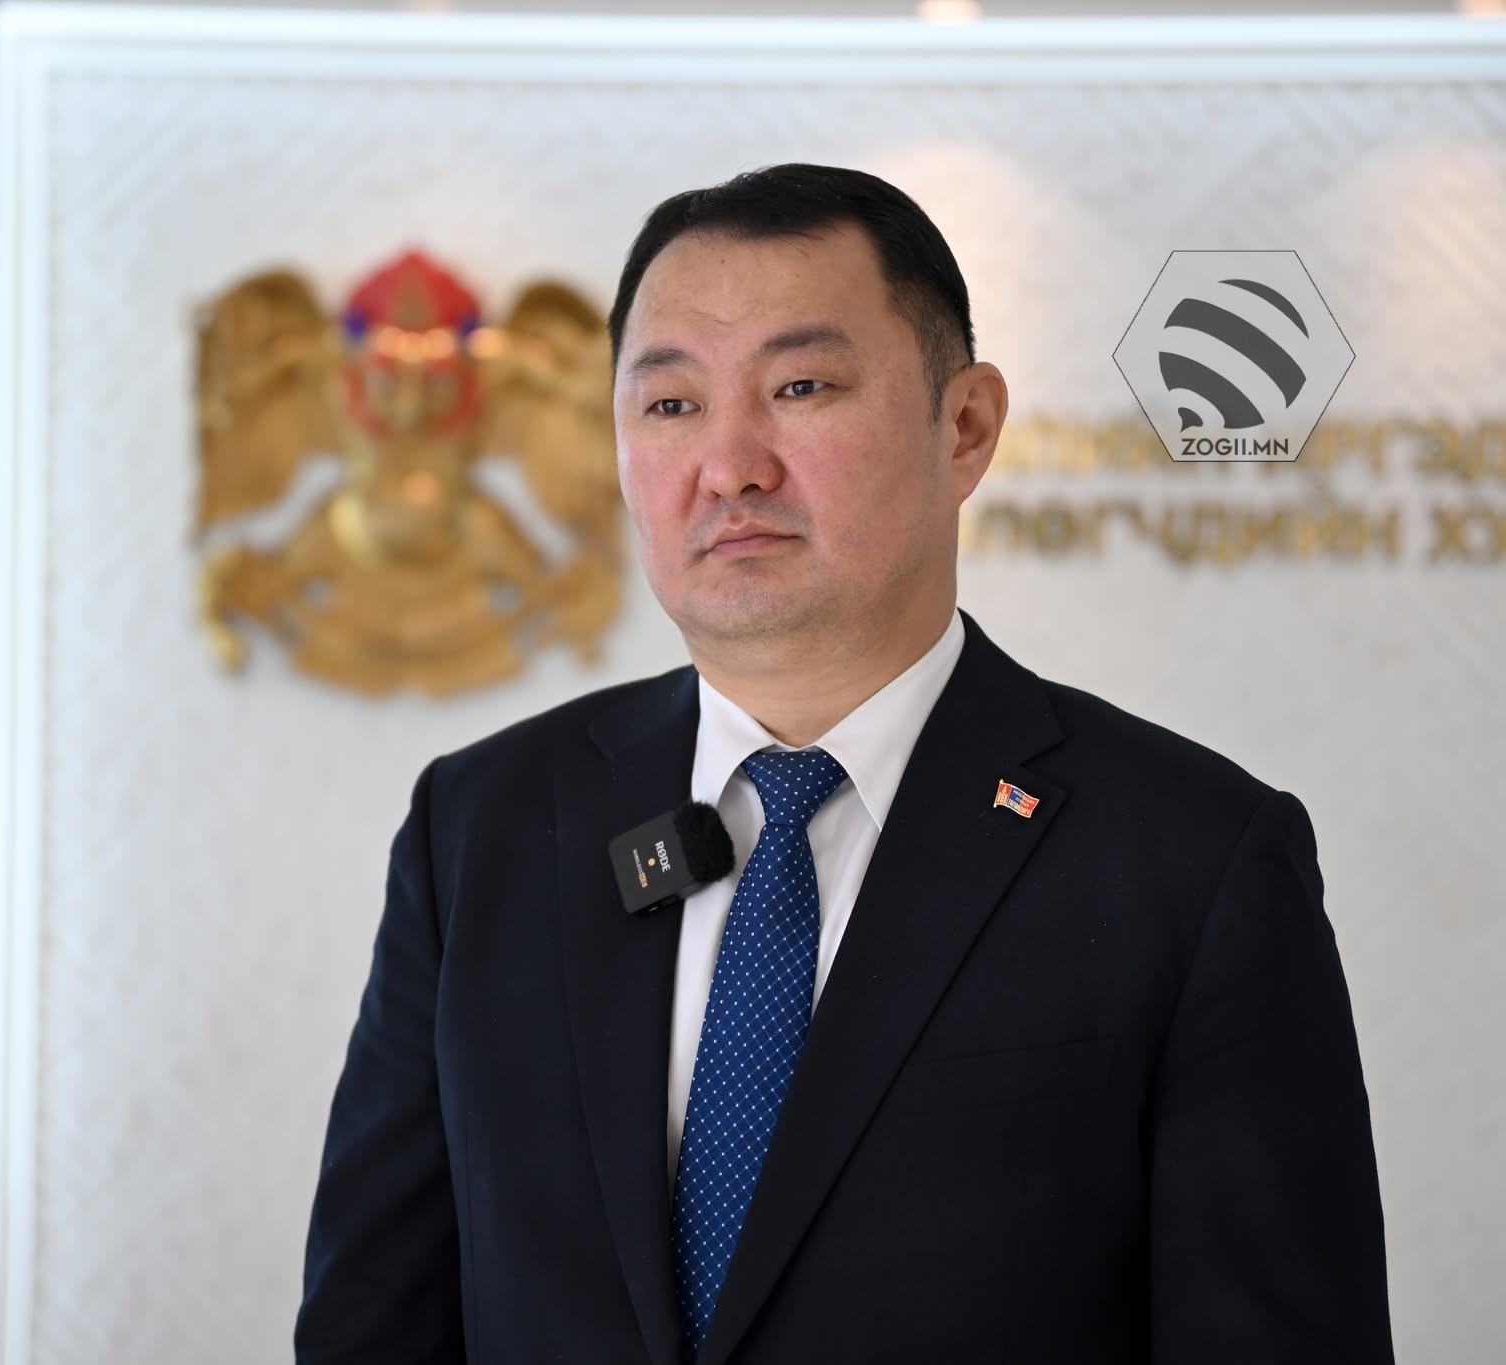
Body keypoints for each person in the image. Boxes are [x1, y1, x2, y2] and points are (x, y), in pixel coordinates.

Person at [294, 164, 1392, 1364]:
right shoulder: (484, 827)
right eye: (670, 405)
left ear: (963, 426)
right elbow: (371, 1325)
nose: (728, 466)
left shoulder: (1189, 859)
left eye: (800, 387)